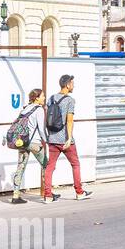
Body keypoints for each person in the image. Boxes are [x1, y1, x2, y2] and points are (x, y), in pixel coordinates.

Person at [44, 73, 90, 203]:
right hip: (64, 139)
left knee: (50, 167)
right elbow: (69, 121)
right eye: (72, 83)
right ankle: (79, 192)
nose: (73, 85)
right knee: (75, 164)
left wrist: (49, 136)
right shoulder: (70, 100)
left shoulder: (51, 98)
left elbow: (47, 119)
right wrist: (69, 139)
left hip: (52, 139)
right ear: (68, 85)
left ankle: (48, 195)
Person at [10, 88, 47, 205]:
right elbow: (41, 129)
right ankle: (48, 193)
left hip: (22, 142)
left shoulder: (25, 108)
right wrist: (47, 141)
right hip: (35, 143)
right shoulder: (39, 109)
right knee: (46, 165)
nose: (44, 98)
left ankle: (15, 195)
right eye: (42, 96)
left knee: (20, 167)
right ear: (37, 98)